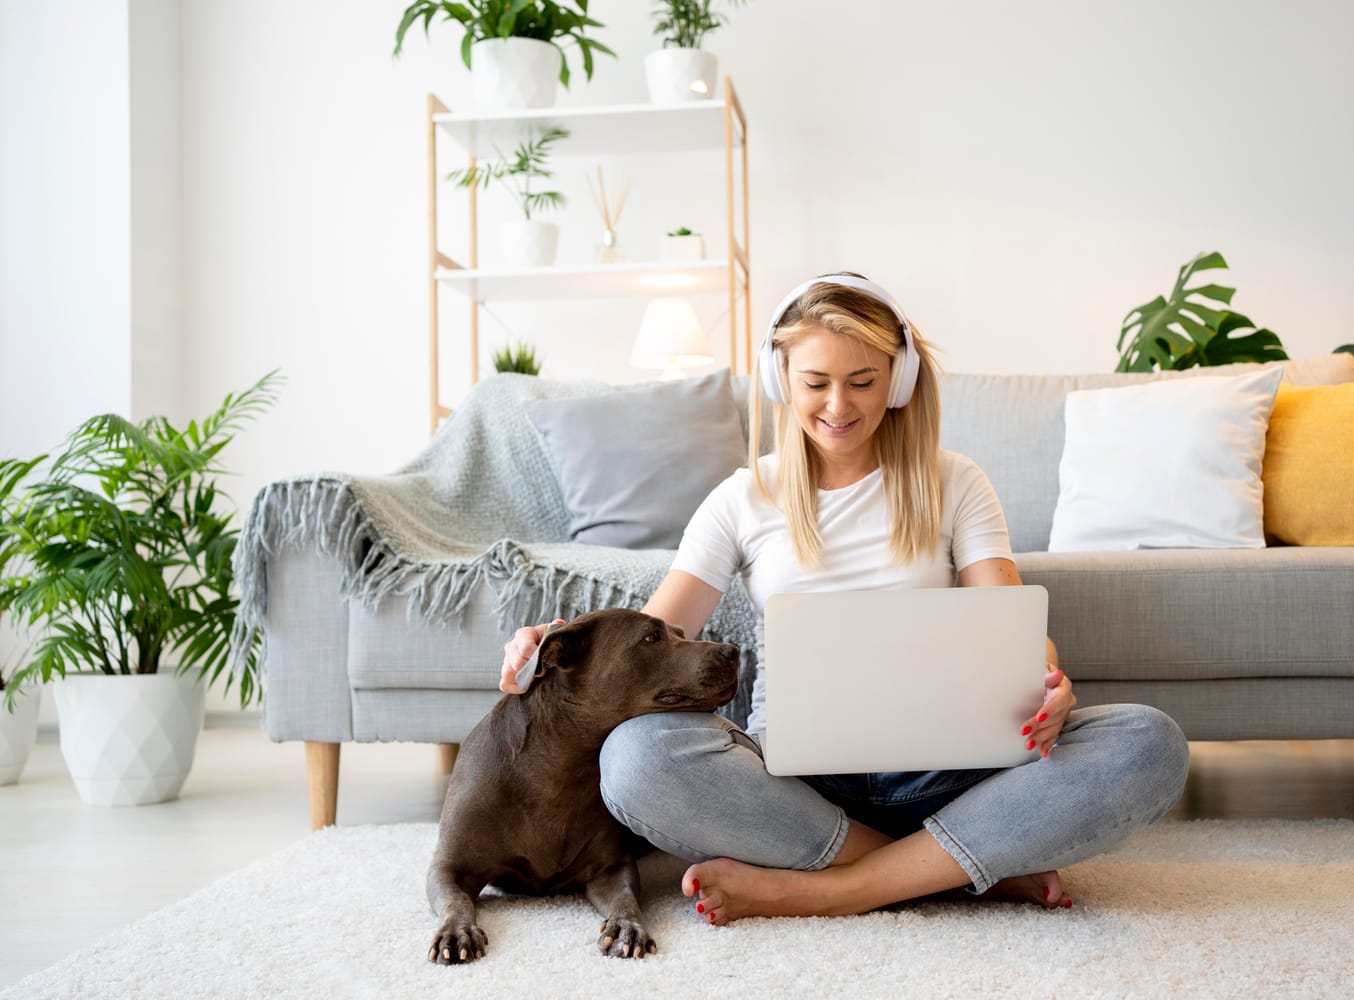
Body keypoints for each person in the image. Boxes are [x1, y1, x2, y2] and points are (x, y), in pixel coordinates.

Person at [501, 273, 1190, 925]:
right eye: (817, 383)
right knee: (635, 759)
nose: (839, 406)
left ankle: (841, 890)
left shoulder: (956, 482)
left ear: (899, 379)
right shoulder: (743, 498)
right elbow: (653, 635)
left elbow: (1009, 623)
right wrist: (555, 643)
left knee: (1145, 741)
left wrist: (1049, 683)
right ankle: (952, 866)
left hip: (951, 773)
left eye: (862, 381)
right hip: (797, 787)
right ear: (781, 382)